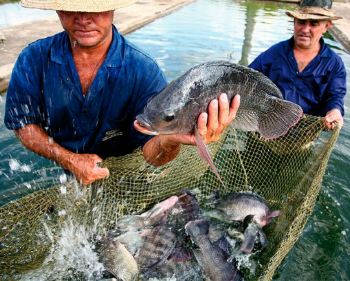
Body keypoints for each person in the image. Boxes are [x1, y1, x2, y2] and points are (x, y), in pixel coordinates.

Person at [4, 0, 240, 185]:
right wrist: (69, 159)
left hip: (128, 171)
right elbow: (23, 125)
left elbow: (153, 156)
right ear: (57, 9)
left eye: (96, 7)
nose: (84, 19)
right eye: (70, 7)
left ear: (113, 7)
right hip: (64, 165)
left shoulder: (143, 70)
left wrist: (169, 139)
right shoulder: (33, 58)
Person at [249, 0, 346, 130]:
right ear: (294, 21)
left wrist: (335, 110)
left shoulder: (334, 64)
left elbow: (335, 96)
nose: (305, 29)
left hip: (304, 136)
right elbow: (248, 78)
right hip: (265, 131)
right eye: (301, 22)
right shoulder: (274, 53)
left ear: (327, 26)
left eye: (314, 23)